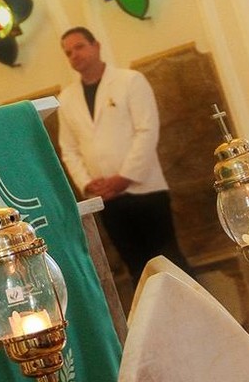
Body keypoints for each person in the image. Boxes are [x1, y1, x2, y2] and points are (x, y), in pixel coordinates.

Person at [56, 27, 192, 281]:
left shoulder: (130, 81)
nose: (74, 55)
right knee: (136, 266)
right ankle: (155, 321)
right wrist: (88, 184)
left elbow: (147, 130)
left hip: (145, 190)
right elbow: (70, 149)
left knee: (169, 261)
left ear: (96, 45)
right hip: (107, 199)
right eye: (68, 52)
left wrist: (125, 177)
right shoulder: (67, 98)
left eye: (80, 47)